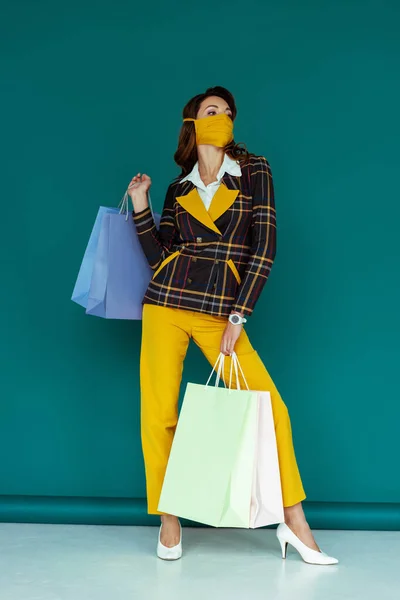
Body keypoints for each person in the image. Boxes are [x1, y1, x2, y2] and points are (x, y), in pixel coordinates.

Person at [128, 86, 338, 565]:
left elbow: (264, 246)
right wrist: (141, 204)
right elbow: (159, 256)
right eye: (211, 111)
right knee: (158, 414)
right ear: (193, 124)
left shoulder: (254, 170)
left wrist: (239, 314)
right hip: (165, 304)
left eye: (228, 112)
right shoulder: (177, 189)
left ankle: (294, 522)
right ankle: (169, 518)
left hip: (220, 310)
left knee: (270, 408)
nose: (222, 117)